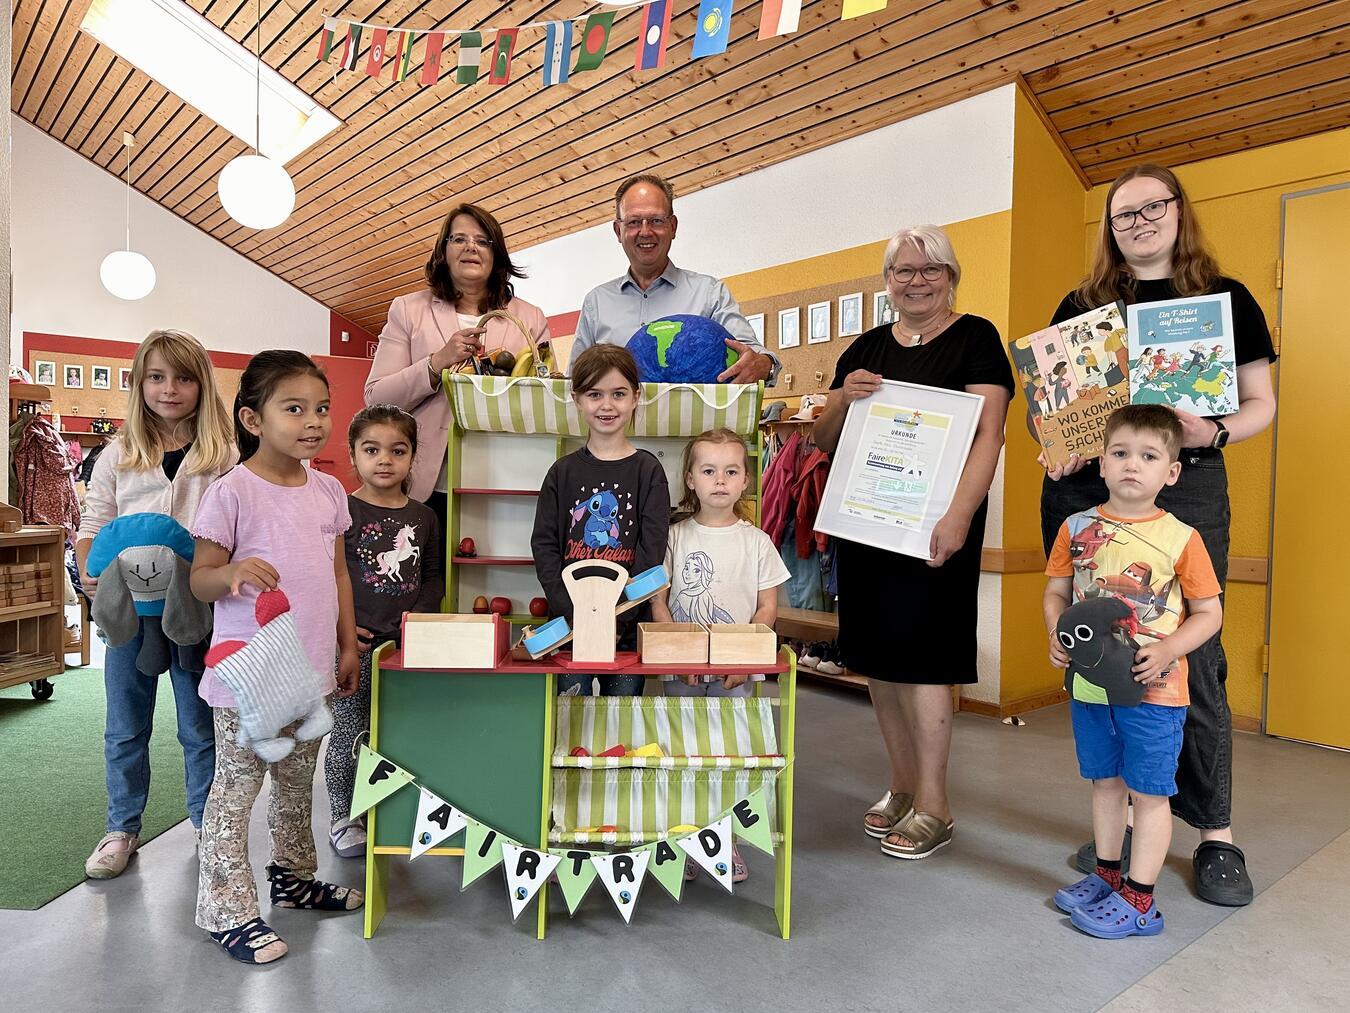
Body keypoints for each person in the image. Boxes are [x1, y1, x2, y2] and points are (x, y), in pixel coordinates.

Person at [1039, 164, 1276, 906]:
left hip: (1188, 484)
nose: (1138, 222)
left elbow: (1263, 400)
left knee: (1187, 658)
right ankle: (1132, 823)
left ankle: (1215, 835)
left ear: (1179, 211)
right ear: (1109, 229)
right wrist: (1058, 442)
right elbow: (1048, 408)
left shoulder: (1225, 298)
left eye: (1152, 207)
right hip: (1084, 492)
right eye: (1122, 215)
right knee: (1101, 658)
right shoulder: (1082, 305)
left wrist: (1219, 428)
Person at [815, 225, 1012, 860]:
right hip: (870, 525)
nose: (917, 280)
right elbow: (821, 437)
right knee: (879, 660)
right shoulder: (866, 348)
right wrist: (846, 396)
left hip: (935, 528)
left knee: (926, 661)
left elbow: (988, 436)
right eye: (903, 270)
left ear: (952, 276)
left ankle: (935, 804)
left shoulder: (976, 337)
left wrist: (958, 517)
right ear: (888, 281)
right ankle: (900, 786)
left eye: (930, 269)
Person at [190, 350, 363, 964]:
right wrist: (232, 570)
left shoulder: (327, 490)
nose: (312, 421)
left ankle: (292, 880)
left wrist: (346, 645)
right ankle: (226, 910)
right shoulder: (231, 491)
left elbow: (338, 574)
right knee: (235, 793)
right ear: (253, 419)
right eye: (294, 408)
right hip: (249, 679)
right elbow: (200, 581)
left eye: (321, 408)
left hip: (311, 672)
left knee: (297, 785)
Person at [1045, 405, 1222, 938]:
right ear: (1101, 463)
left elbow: (1210, 613)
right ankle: (1106, 875)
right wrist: (1056, 632)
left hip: (1155, 692)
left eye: (1148, 456)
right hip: (1090, 686)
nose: (1131, 466)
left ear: (1170, 472)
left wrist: (1169, 649)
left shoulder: (1182, 537)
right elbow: (1056, 593)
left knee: (1148, 793)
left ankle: (1141, 900)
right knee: (1104, 784)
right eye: (1120, 453)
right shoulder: (1076, 527)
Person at [77, 329, 236, 880]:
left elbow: (234, 529)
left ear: (202, 386)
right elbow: (92, 526)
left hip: (196, 612)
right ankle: (122, 826)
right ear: (140, 382)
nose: (171, 389)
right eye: (157, 377)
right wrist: (91, 577)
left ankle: (205, 821)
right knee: (125, 724)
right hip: (128, 616)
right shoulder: (117, 454)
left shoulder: (223, 457)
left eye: (185, 378)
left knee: (199, 723)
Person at [651, 427, 790, 883]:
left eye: (731, 471)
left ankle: (723, 839)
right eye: (708, 470)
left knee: (729, 756)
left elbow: (768, 608)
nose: (720, 480)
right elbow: (658, 601)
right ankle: (683, 840)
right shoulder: (673, 538)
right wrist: (678, 655)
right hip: (682, 671)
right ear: (689, 478)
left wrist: (743, 657)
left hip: (735, 672)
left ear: (746, 480)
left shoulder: (757, 542)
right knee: (681, 753)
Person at [364, 202, 552, 514]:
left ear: (497, 254)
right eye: (459, 239)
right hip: (424, 485)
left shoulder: (531, 318)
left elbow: (545, 400)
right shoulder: (409, 310)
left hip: (504, 479)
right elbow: (376, 398)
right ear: (443, 251)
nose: (471, 248)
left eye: (482, 241)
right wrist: (436, 363)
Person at [325, 405, 444, 858]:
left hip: (404, 648)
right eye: (371, 450)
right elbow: (329, 574)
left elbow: (432, 576)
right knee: (350, 732)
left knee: (398, 731)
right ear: (353, 454)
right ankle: (342, 816)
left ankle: (395, 810)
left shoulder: (424, 517)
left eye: (398, 450)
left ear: (413, 457)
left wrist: (417, 621)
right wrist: (343, 632)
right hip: (355, 644)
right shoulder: (342, 509)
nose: (385, 460)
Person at [530, 345, 670, 697]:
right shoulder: (561, 472)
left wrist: (613, 610)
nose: (607, 405)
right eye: (595, 394)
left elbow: (651, 549)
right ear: (577, 399)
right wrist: (572, 608)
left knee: (618, 721)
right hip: (569, 625)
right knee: (567, 719)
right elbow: (544, 545)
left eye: (618, 394)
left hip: (625, 625)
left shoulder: (648, 471)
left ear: (636, 397)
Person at [571, 173, 778, 383]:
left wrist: (763, 364)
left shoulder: (710, 293)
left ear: (673, 227)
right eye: (633, 222)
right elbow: (575, 382)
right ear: (618, 230)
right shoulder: (595, 303)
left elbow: (750, 354)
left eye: (656, 220)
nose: (645, 231)